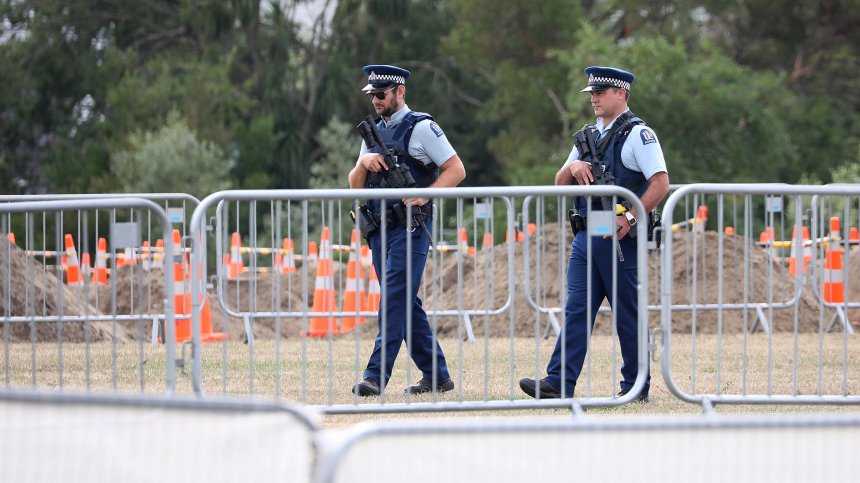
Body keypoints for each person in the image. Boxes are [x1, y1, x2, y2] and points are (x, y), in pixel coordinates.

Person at [519, 66, 670, 402]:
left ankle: (636, 386)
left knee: (627, 313)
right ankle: (559, 382)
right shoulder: (587, 136)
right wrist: (572, 167)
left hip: (619, 236)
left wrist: (630, 217)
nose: (595, 99)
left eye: (601, 93)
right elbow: (560, 184)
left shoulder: (638, 134)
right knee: (576, 310)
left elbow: (660, 183)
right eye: (593, 94)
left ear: (622, 94)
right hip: (587, 234)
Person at [348, 65, 466, 397]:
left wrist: (427, 193)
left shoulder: (423, 127)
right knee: (403, 303)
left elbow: (456, 169)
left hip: (410, 227)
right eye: (372, 95)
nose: (375, 100)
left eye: (381, 94)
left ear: (400, 92)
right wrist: (362, 164)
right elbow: (355, 186)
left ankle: (375, 376)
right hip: (379, 229)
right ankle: (437, 376)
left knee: (394, 300)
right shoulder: (373, 134)